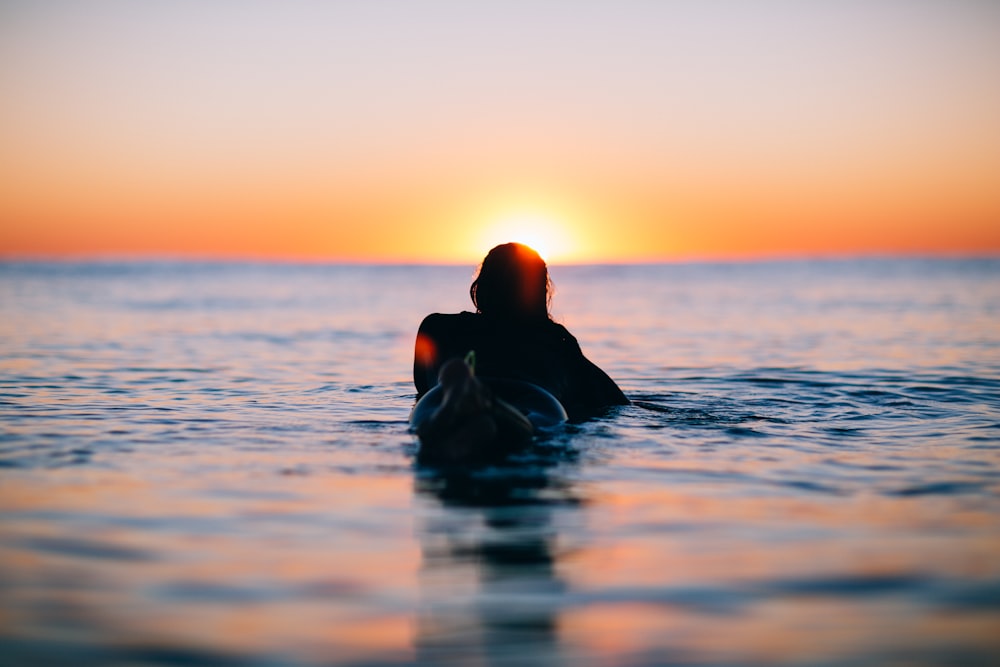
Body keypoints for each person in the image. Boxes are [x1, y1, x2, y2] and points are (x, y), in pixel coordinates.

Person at [412, 242, 628, 428]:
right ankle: (494, 409)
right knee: (529, 428)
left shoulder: (438, 326)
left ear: (481, 287)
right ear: (539, 291)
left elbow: (422, 386)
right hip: (537, 402)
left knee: (439, 425)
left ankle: (465, 401)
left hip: (443, 398)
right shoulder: (558, 342)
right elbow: (614, 403)